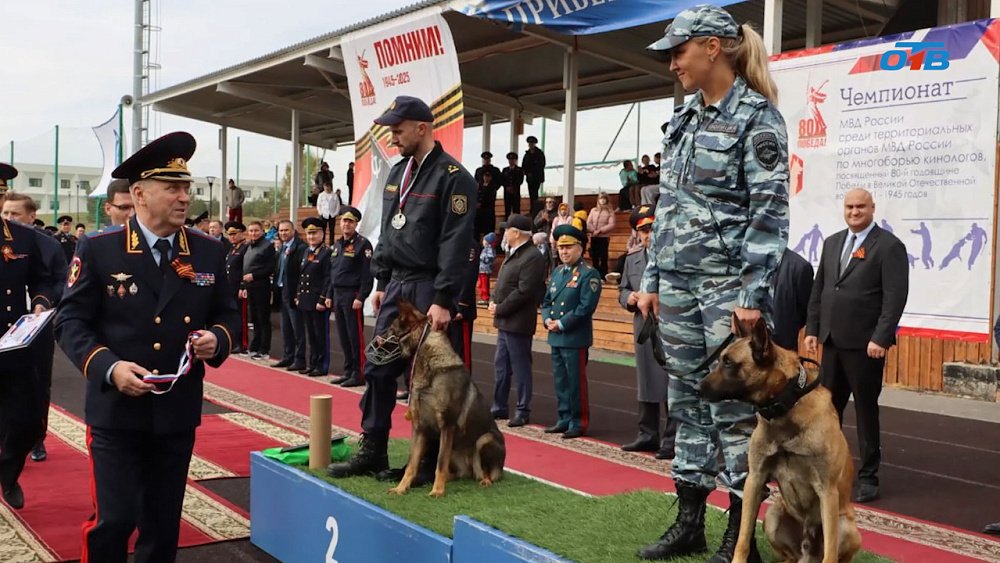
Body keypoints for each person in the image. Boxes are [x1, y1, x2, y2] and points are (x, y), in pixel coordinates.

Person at [636, 6, 790, 561]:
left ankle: (738, 534)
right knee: (686, 402)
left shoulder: (757, 118)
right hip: (677, 284)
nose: (673, 64)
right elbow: (668, 207)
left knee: (733, 411)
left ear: (712, 47)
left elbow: (769, 211)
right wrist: (652, 277)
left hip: (726, 290)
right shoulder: (684, 119)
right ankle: (690, 522)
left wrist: (752, 295)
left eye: (678, 52)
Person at [53, 132, 239, 562]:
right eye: (172, 188)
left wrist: (218, 338)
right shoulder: (100, 249)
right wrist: (109, 367)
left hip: (176, 410)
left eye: (186, 188)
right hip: (117, 411)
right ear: (139, 194)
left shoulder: (208, 251)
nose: (184, 197)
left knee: (162, 522)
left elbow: (228, 315)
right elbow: (70, 321)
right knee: (115, 519)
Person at [328, 95, 476, 479]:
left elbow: (456, 244)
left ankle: (428, 462)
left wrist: (444, 298)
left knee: (428, 379)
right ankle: (373, 449)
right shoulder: (397, 173)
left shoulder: (454, 178)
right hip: (396, 285)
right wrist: (381, 280)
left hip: (429, 288)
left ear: (421, 128)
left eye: (397, 130)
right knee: (378, 367)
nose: (392, 138)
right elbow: (388, 232)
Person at [805, 188, 908, 504]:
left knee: (865, 411)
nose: (854, 211)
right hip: (831, 343)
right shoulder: (832, 242)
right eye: (849, 206)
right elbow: (821, 289)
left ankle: (868, 478)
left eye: (860, 206)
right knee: (827, 411)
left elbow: (895, 298)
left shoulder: (889, 247)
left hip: (866, 346)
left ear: (872, 208)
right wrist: (813, 329)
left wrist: (881, 337)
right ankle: (828, 471)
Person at [0, 163, 65, 507]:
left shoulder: (22, 237)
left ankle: (8, 472)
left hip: (13, 340)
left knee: (27, 420)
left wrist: (41, 301)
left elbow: (43, 278)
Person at [619, 205, 676, 459]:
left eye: (652, 228)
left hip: (670, 325)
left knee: (672, 382)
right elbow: (622, 290)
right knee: (646, 381)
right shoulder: (631, 259)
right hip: (643, 328)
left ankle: (672, 439)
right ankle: (647, 433)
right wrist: (628, 297)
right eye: (643, 230)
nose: (648, 235)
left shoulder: (672, 256)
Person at [542, 223, 601, 440]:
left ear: (580, 248)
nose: (564, 251)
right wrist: (547, 319)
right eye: (560, 247)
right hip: (556, 336)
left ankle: (578, 421)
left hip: (574, 337)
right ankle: (564, 417)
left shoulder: (588, 274)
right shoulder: (558, 272)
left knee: (576, 383)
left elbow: (585, 307)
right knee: (560, 381)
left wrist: (562, 323)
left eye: (568, 247)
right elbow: (547, 301)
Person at [489, 214, 547, 427]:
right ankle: (499, 405)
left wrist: (500, 307)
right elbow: (503, 283)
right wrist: (494, 300)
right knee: (501, 367)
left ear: (515, 233)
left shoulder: (532, 257)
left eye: (507, 230)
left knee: (521, 367)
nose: (504, 233)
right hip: (505, 321)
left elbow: (524, 291)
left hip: (518, 322)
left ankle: (523, 409)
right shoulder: (514, 253)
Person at [324, 206, 374, 387]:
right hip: (338, 294)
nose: (346, 224)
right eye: (344, 221)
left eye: (350, 221)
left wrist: (361, 297)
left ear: (356, 224)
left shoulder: (363, 244)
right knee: (343, 336)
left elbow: (367, 274)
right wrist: (329, 295)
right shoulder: (337, 245)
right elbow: (333, 273)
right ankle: (348, 371)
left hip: (352, 295)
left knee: (355, 336)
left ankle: (359, 373)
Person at [271, 220, 308, 371]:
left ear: (293, 231)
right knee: (285, 328)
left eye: (286, 230)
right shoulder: (281, 248)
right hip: (282, 291)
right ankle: (288, 356)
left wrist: (298, 293)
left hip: (293, 293)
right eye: (281, 231)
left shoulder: (301, 248)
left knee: (297, 329)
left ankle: (300, 359)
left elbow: (302, 273)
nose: (283, 233)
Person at [296, 217, 331, 376]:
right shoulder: (306, 251)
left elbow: (328, 278)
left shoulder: (326, 253)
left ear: (322, 234)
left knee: (320, 335)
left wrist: (322, 298)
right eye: (309, 234)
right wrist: (298, 295)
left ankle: (322, 365)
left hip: (317, 300)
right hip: (306, 299)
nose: (311, 237)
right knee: (311, 334)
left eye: (314, 233)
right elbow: (302, 276)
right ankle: (313, 362)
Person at [241, 221, 276, 360]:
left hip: (261, 286)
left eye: (256, 230)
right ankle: (254, 346)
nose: (253, 233)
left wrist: (254, 275)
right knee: (254, 318)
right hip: (250, 287)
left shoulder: (268, 246)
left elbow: (271, 267)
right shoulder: (249, 246)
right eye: (251, 231)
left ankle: (264, 349)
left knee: (263, 318)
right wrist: (243, 285)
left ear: (262, 231)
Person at [770, 248, 813, 351]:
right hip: (746, 347)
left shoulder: (800, 267)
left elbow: (807, 310)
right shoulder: (743, 260)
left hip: (783, 348)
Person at [224, 221, 249, 354]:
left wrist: (242, 286)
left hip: (238, 287)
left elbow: (245, 268)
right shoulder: (232, 249)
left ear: (241, 233)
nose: (232, 237)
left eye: (234, 234)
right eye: (229, 234)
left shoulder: (245, 248)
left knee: (240, 316)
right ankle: (233, 341)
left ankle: (241, 343)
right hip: (229, 288)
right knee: (232, 316)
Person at [587, 193, 615, 277]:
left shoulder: (610, 212)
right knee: (594, 256)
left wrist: (600, 231)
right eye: (600, 198)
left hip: (604, 237)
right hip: (594, 236)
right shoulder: (593, 210)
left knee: (603, 256)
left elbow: (611, 224)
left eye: (604, 198)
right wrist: (593, 230)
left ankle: (603, 274)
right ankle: (595, 274)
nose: (602, 200)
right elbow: (588, 222)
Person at [522, 136, 545, 215]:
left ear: (534, 144)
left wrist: (534, 172)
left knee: (535, 194)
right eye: (529, 143)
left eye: (532, 143)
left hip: (537, 177)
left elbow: (542, 165)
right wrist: (527, 173)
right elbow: (524, 165)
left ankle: (535, 209)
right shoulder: (527, 154)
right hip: (529, 178)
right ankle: (532, 208)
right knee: (531, 194)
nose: (530, 145)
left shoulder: (539, 153)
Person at [475, 169, 498, 240]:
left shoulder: (493, 187)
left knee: (487, 228)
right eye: (485, 176)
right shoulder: (479, 186)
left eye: (488, 176)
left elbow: (491, 198)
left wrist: (481, 203)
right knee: (477, 228)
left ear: (490, 177)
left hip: (488, 210)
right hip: (479, 211)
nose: (486, 178)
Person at [501, 152, 525, 220]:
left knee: (516, 210)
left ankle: (517, 224)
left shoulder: (519, 170)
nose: (511, 161)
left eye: (512, 159)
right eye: (510, 160)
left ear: (515, 160)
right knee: (507, 210)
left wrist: (513, 187)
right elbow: (502, 180)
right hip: (507, 193)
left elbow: (520, 180)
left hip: (515, 193)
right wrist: (507, 187)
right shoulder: (505, 170)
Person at [477, 232, 497, 305]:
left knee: (484, 284)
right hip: (482, 269)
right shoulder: (486, 248)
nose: (483, 241)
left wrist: (482, 258)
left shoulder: (489, 249)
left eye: (484, 240)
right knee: (481, 284)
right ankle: (483, 296)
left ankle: (485, 298)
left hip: (485, 269)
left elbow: (490, 257)